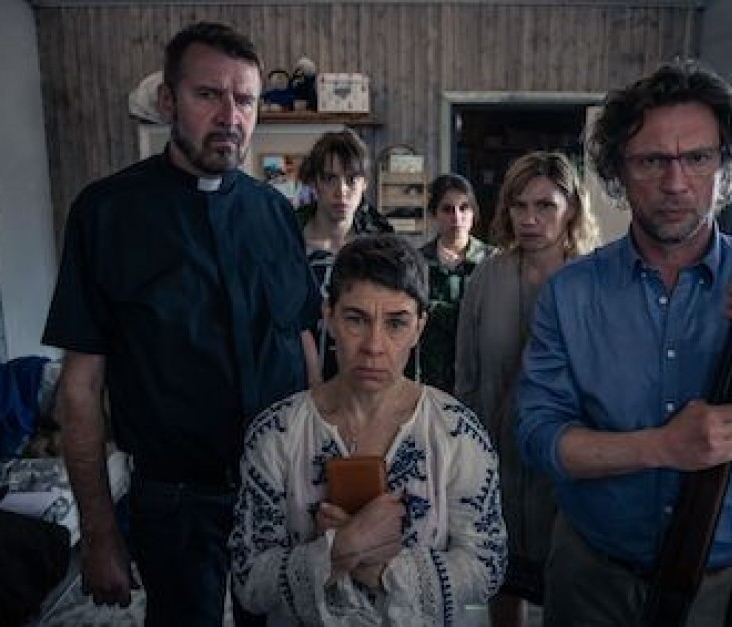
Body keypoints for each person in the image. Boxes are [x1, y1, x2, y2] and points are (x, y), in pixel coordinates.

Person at [515, 59, 732, 627]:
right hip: (590, 578)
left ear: (726, 165)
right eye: (652, 160)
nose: (676, 184)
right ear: (619, 171)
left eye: (697, 158)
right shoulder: (570, 292)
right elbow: (538, 439)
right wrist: (663, 446)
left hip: (724, 590)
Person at [42, 22, 320, 626]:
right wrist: (98, 534)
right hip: (174, 504)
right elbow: (80, 389)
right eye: (208, 95)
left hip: (279, 492)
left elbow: (303, 348)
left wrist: (318, 473)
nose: (229, 117)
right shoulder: (106, 214)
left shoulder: (275, 214)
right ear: (168, 102)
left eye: (244, 99)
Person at [230, 234, 507, 625]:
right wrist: (341, 547)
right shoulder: (276, 434)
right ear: (328, 317)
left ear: (420, 327)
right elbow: (249, 579)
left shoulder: (457, 433)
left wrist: (363, 560)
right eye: (356, 319)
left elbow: (486, 565)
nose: (374, 346)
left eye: (396, 323)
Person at [455, 151, 599, 627]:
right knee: (501, 578)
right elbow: (466, 374)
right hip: (495, 461)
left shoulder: (592, 282)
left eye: (545, 206)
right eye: (519, 205)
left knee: (568, 592)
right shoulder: (487, 276)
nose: (530, 219)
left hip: (567, 466)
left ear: (571, 209)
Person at [296, 129, 393, 381]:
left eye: (351, 179)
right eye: (330, 178)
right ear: (315, 182)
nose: (341, 191)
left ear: (365, 183)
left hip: (365, 374)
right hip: (296, 375)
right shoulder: (288, 238)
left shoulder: (381, 243)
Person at [409, 173, 495, 392]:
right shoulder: (417, 262)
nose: (457, 217)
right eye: (447, 209)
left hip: (482, 377)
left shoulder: (493, 262)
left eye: (464, 208)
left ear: (474, 212)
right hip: (431, 378)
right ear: (434, 214)